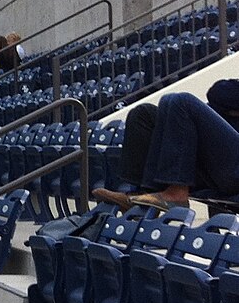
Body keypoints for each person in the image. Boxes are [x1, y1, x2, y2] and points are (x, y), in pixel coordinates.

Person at [93, 82, 239, 212]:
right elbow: (218, 93)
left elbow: (223, 97)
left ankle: (177, 193)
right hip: (214, 168)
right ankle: (141, 195)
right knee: (143, 114)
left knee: (181, 101)